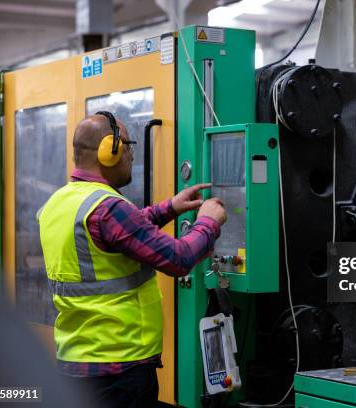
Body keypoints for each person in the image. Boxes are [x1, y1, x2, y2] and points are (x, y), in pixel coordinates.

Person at [38, 112, 226, 407]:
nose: (131, 156)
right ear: (109, 151)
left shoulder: (59, 203)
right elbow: (179, 258)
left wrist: (171, 207)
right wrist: (208, 223)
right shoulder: (108, 208)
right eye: (128, 146)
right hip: (121, 369)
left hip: (75, 361)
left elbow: (121, 234)